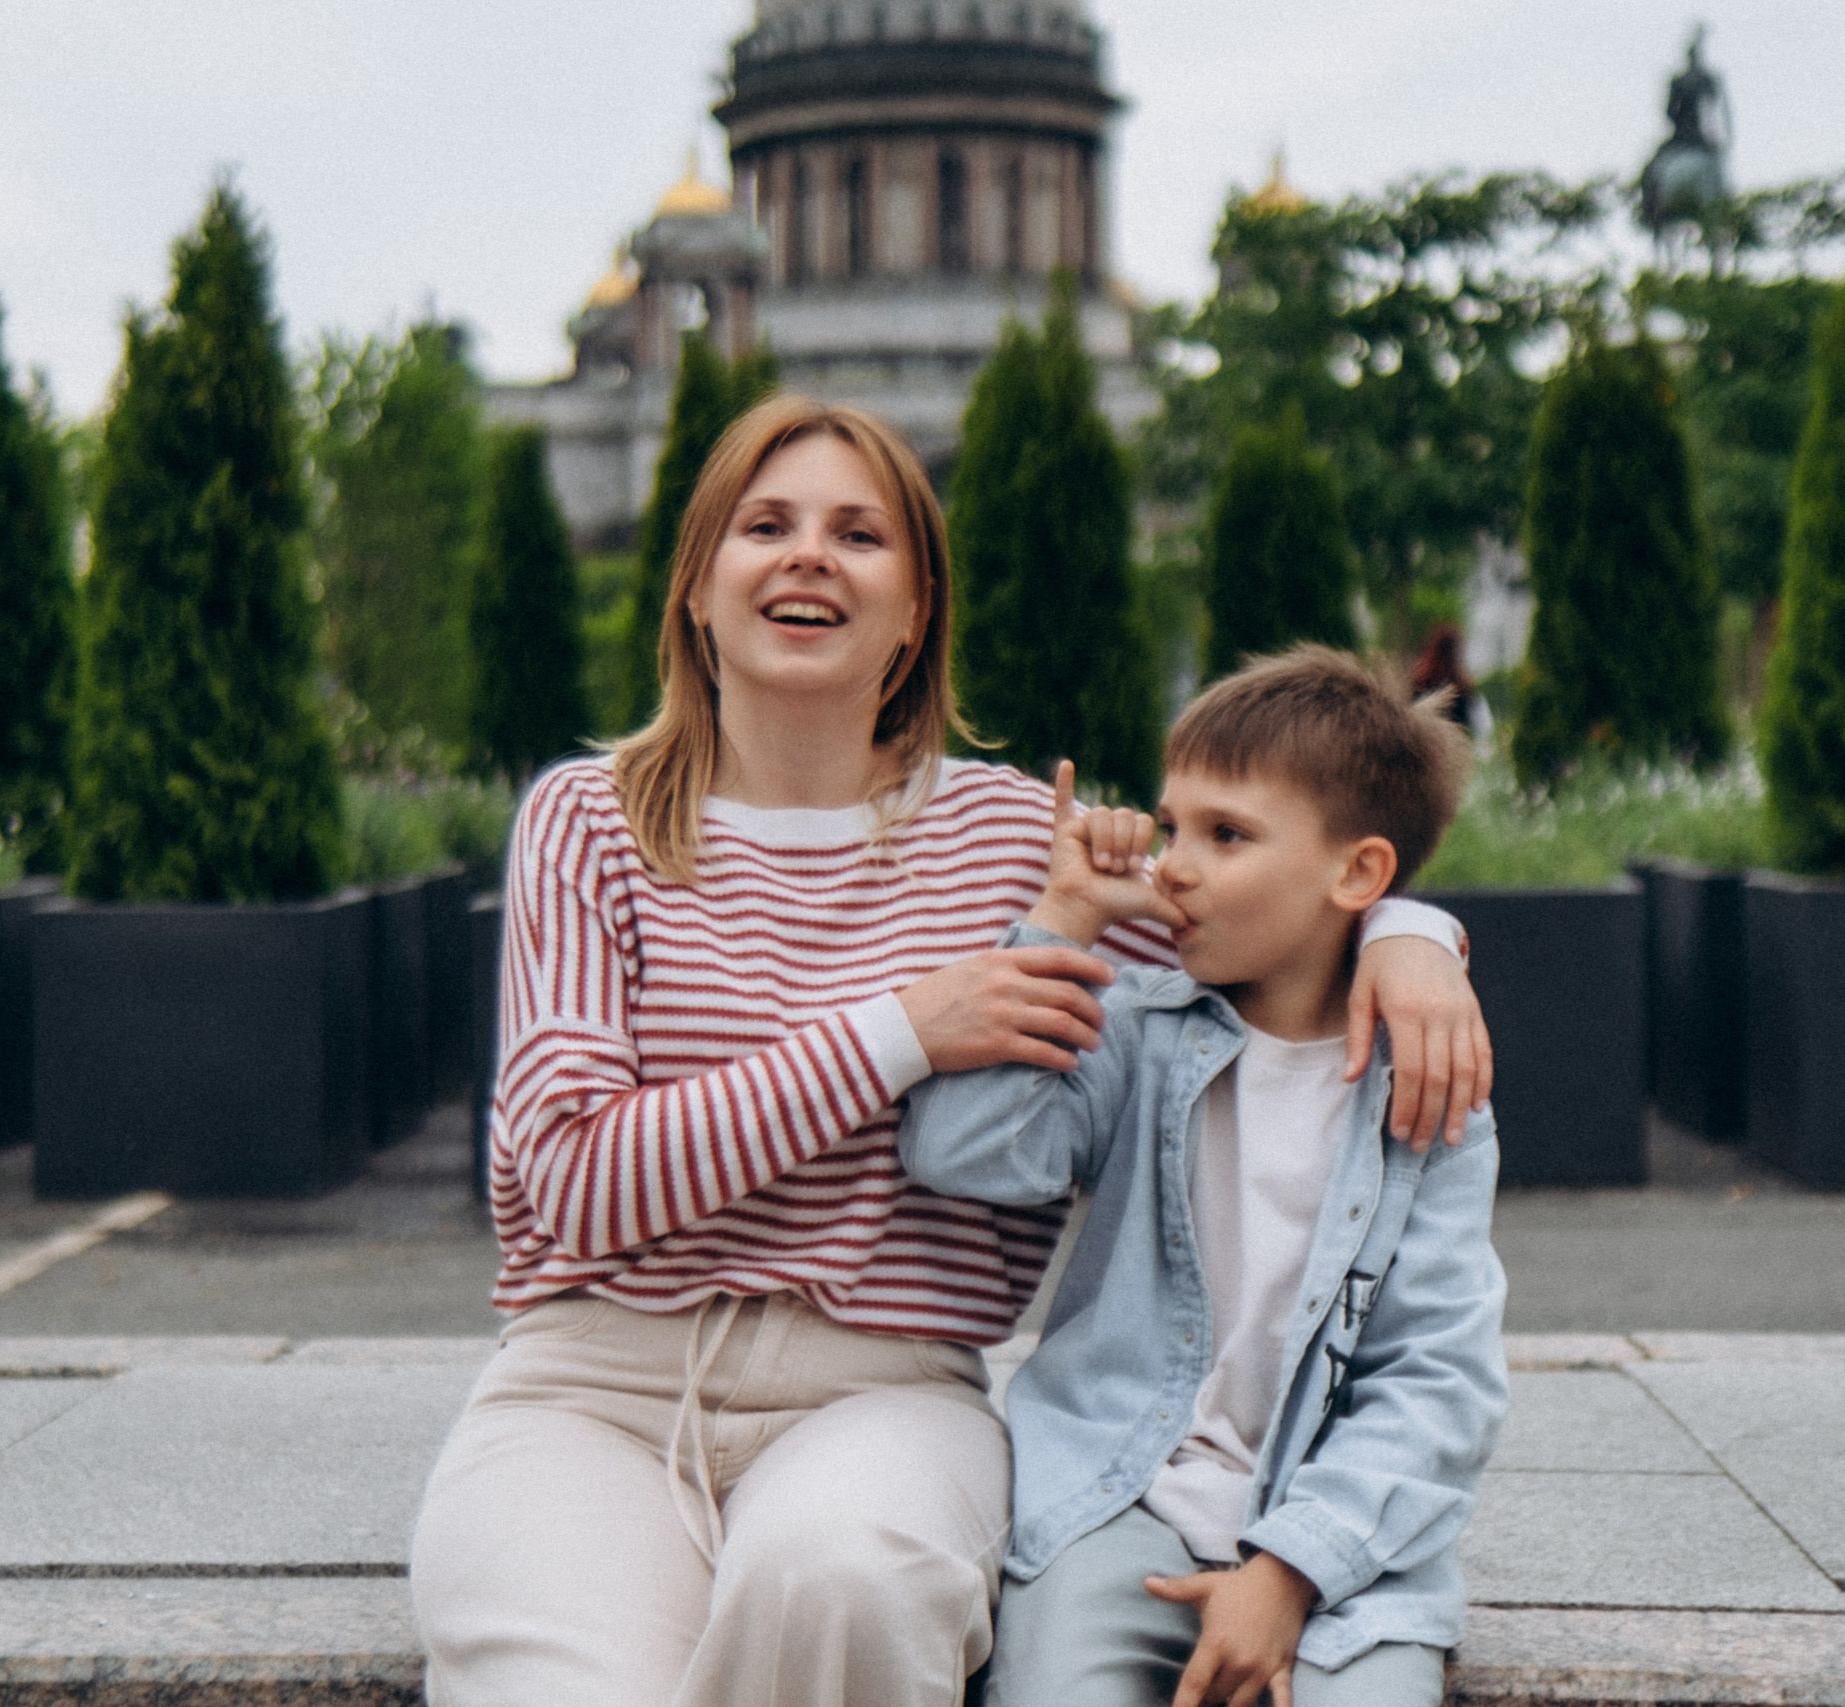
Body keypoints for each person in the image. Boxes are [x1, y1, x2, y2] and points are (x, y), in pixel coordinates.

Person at [408, 397, 1491, 1707]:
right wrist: (905, 1032)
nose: (808, 553)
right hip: (590, 1385)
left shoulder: (1017, 840)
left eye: (858, 533)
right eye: (767, 524)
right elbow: (577, 1177)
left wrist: (1410, 930)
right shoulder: (587, 820)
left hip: (883, 1393)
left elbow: (1261, 905)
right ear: (698, 584)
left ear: (916, 609)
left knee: (846, 1581)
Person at [901, 648, 1508, 1707]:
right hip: (1113, 1500)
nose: (1173, 865)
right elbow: (963, 1152)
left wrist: (1290, 1569)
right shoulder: (1136, 1028)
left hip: (1337, 1554)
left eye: (1225, 835)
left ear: (1358, 876)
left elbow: (1438, 1380)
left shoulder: (1426, 1092)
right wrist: (1063, 919)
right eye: (1171, 825)